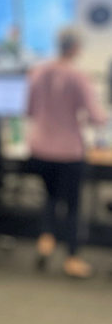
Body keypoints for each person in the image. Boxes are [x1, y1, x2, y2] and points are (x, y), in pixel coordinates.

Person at [28, 28, 106, 279]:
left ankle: (46, 240)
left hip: (40, 148)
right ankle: (72, 258)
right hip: (69, 151)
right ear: (74, 48)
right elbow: (96, 117)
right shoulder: (78, 77)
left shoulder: (38, 72)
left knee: (49, 198)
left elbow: (29, 110)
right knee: (72, 205)